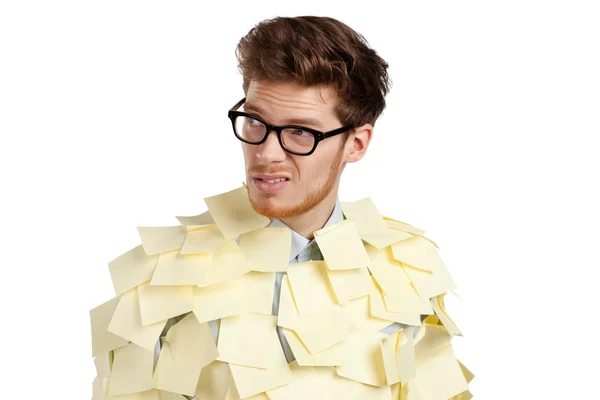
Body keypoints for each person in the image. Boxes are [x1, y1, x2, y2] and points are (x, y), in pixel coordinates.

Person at [90, 15, 473, 400]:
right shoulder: (159, 276)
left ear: (356, 144)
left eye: (300, 132)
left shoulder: (410, 269)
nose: (266, 153)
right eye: (255, 121)